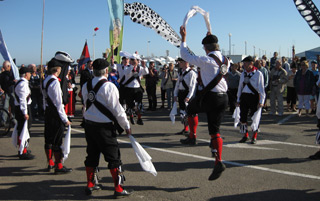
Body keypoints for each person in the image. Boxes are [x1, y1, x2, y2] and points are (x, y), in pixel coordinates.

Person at [180, 25, 230, 180]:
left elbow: (185, 56)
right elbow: (213, 53)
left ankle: (193, 136)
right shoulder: (226, 60)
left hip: (212, 98)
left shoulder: (207, 60)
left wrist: (184, 38)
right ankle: (217, 160)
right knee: (215, 130)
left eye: (204, 47)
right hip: (223, 98)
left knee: (190, 108)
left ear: (207, 48)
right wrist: (210, 37)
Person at [82, 58, 133, 198]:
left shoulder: (86, 85)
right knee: (113, 157)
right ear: (106, 71)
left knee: (91, 154)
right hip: (104, 127)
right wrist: (126, 126)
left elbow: (85, 103)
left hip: (89, 125)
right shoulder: (109, 86)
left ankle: (90, 184)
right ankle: (118, 188)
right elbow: (117, 110)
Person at [42, 58, 72, 174]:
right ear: (58, 69)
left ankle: (50, 161)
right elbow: (59, 104)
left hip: (48, 112)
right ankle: (59, 165)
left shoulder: (45, 80)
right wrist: (65, 119)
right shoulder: (55, 82)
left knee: (49, 138)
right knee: (57, 140)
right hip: (55, 113)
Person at [236, 56, 265, 144]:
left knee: (254, 118)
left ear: (251, 63)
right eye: (243, 63)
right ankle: (245, 135)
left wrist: (261, 101)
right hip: (244, 97)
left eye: (245, 63)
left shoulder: (258, 74)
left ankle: (254, 137)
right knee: (243, 117)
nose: (243, 65)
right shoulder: (243, 74)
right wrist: (238, 99)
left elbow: (261, 89)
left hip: (254, 97)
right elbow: (240, 87)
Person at [173, 58, 197, 144]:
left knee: (190, 114)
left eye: (181, 62)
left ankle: (192, 134)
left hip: (188, 95)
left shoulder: (191, 73)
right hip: (181, 94)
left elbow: (193, 87)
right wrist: (175, 94)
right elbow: (177, 84)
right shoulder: (180, 72)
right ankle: (186, 129)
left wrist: (189, 97)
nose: (179, 63)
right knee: (183, 113)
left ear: (186, 62)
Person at [14, 67, 35, 159]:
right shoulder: (23, 84)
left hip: (21, 108)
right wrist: (25, 112)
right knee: (24, 130)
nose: (30, 75)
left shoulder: (20, 82)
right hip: (23, 108)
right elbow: (23, 100)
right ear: (26, 74)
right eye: (30, 73)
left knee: (23, 129)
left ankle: (22, 148)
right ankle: (23, 151)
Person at [123, 54, 149, 125]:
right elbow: (126, 73)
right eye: (132, 60)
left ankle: (139, 118)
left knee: (139, 105)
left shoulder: (140, 68)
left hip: (137, 89)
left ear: (138, 61)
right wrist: (132, 66)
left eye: (135, 60)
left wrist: (144, 66)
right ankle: (131, 116)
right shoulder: (127, 67)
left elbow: (146, 72)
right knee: (131, 105)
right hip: (129, 89)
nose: (134, 62)